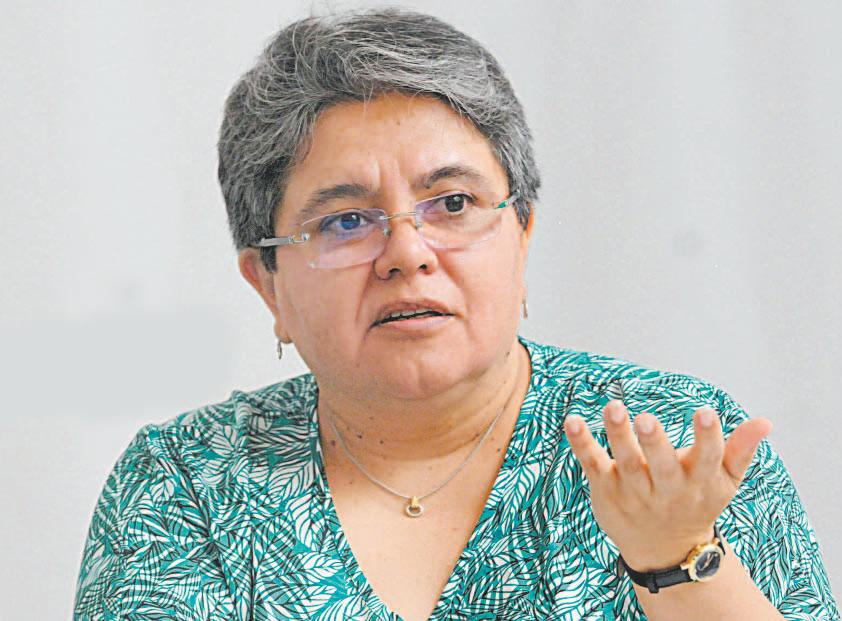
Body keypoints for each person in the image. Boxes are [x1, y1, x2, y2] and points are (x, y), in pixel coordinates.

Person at [73, 8, 839, 621]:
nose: (406, 253)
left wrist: (677, 557)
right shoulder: (187, 484)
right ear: (267, 284)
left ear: (522, 233)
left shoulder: (673, 444)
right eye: (346, 220)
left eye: (452, 203)